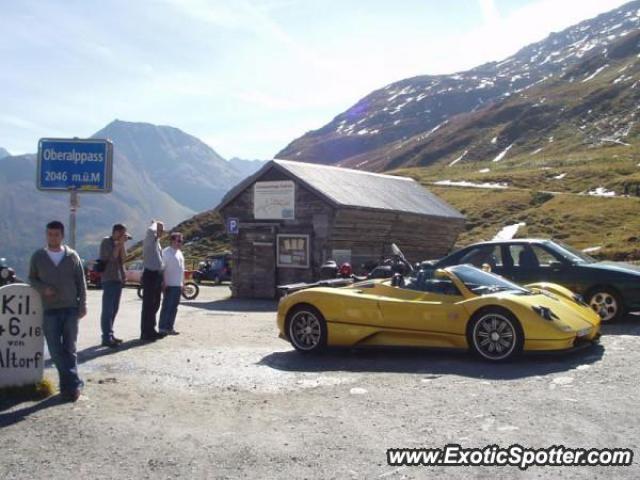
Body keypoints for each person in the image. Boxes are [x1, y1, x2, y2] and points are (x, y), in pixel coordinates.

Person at [28, 221, 87, 402]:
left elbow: (81, 282)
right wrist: (42, 288)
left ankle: (69, 388)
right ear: (46, 235)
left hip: (70, 308)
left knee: (70, 348)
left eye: (56, 234)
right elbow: (32, 278)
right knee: (55, 350)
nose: (52, 237)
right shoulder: (38, 256)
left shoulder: (71, 256)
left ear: (62, 236)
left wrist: (83, 304)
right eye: (50, 234)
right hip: (49, 310)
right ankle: (74, 383)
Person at [99, 224, 129, 348]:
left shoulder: (119, 244)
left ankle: (110, 334)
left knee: (115, 308)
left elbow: (123, 258)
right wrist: (118, 244)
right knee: (107, 309)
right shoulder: (106, 242)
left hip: (118, 279)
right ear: (116, 232)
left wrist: (122, 245)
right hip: (108, 278)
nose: (123, 236)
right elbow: (112, 258)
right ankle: (106, 336)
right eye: (122, 233)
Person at [140, 220, 164, 341]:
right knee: (148, 304)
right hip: (150, 274)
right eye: (160, 229)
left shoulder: (157, 242)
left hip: (157, 274)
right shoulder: (149, 238)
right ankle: (145, 332)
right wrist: (155, 223)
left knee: (155, 304)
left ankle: (151, 329)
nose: (162, 232)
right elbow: (150, 230)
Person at [159, 232, 185, 336]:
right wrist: (163, 282)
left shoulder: (180, 253)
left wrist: (182, 283)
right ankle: (162, 327)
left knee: (174, 307)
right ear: (172, 240)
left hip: (178, 284)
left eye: (181, 241)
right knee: (167, 306)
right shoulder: (166, 252)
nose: (180, 243)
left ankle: (170, 327)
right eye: (179, 241)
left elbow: (181, 269)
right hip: (169, 284)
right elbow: (162, 269)